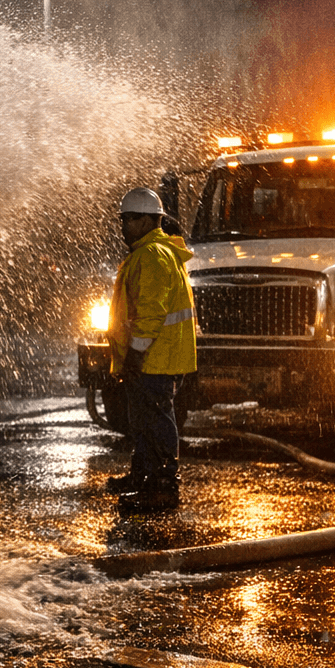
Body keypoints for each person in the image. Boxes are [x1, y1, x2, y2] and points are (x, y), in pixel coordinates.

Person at [104, 186, 197, 509]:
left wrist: (136, 354)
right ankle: (143, 476)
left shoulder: (152, 255)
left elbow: (152, 312)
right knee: (144, 420)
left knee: (156, 420)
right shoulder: (151, 252)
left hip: (155, 357)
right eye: (123, 219)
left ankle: (162, 487)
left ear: (149, 220)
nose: (124, 225)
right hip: (157, 355)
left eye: (131, 219)